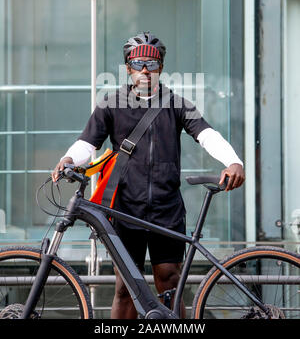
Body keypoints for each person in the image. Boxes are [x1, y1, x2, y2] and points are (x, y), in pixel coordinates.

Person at [52, 31, 245, 319]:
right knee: (125, 288)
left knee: (169, 281)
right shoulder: (111, 103)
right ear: (128, 67)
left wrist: (234, 161)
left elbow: (206, 135)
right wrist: (67, 158)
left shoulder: (177, 103)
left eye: (152, 64)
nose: (145, 70)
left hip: (166, 209)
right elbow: (88, 142)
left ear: (161, 68)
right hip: (125, 209)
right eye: (139, 63)